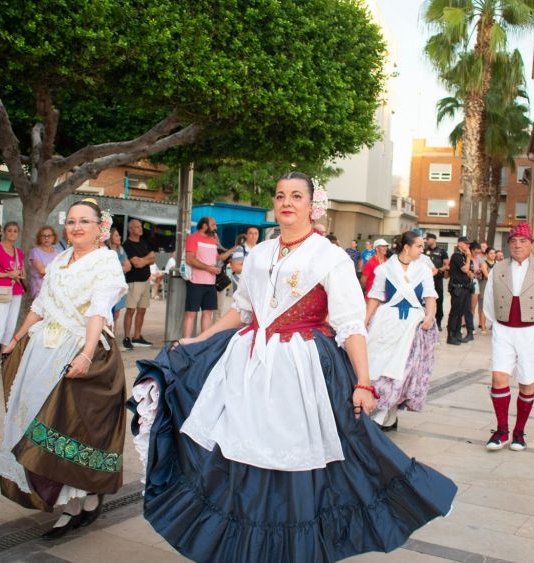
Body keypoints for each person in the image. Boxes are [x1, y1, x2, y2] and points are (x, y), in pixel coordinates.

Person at [130, 172, 456, 562]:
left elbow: (351, 325)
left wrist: (363, 382)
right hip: (250, 361)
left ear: (311, 205)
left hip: (300, 367)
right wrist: (200, 340)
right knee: (240, 448)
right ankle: (246, 545)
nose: (287, 202)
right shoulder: (261, 253)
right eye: (281, 194)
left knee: (295, 457)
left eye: (296, 196)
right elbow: (242, 310)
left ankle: (291, 547)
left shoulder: (329, 256)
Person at [0, 199, 128, 540]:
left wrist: (86, 355)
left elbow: (98, 310)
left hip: (81, 348)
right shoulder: (58, 260)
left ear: (100, 228)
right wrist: (15, 339)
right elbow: (40, 305)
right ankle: (70, 501)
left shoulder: (106, 261)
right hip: (43, 350)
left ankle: (82, 498)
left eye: (84, 221)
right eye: (71, 221)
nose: (76, 227)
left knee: (72, 428)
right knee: (37, 420)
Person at [482, 223, 534, 451]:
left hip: (533, 330)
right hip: (504, 329)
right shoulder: (498, 268)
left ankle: (519, 432)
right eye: (513, 241)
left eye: (523, 241)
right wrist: (497, 325)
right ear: (508, 244)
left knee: (527, 381)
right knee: (498, 377)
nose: (518, 245)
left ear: (531, 244)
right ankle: (502, 431)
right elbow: (489, 301)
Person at [365, 231, 438, 431]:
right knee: (381, 367)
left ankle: (383, 416)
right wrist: (365, 321)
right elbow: (375, 297)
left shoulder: (423, 270)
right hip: (387, 322)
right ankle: (387, 416)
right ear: (407, 247)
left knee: (404, 370)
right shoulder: (384, 269)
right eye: (419, 246)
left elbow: (430, 297)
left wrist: (429, 316)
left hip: (413, 324)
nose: (422, 250)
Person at [0, 222, 26, 376]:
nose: (12, 233)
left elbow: (23, 273)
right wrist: (8, 274)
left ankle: (1, 358)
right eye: (10, 231)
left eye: (15, 231)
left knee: (10, 325)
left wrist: (18, 274)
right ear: (4, 232)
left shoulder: (18, 252)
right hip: (1, 290)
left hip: (16, 290)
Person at [181, 217, 222, 338]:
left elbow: (217, 259)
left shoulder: (213, 241)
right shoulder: (193, 238)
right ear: (204, 226)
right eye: (213, 225)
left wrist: (232, 250)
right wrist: (209, 268)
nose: (215, 227)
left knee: (208, 313)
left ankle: (204, 342)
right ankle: (186, 343)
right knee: (191, 314)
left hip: (211, 283)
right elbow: (189, 259)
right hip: (195, 282)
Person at [122, 219, 156, 349]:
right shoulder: (127, 245)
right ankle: (126, 337)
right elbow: (136, 263)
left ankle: (137, 337)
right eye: (137, 227)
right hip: (134, 281)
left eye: (140, 226)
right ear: (130, 230)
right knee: (131, 310)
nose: (140, 229)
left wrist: (143, 260)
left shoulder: (144, 242)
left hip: (146, 280)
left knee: (142, 310)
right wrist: (146, 259)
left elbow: (153, 259)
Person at [446, 236, 473, 345]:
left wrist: (468, 258)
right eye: (465, 243)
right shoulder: (456, 256)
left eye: (468, 244)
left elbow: (470, 272)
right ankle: (451, 336)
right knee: (455, 313)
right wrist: (469, 257)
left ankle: (457, 334)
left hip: (465, 287)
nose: (467, 246)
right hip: (457, 288)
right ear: (459, 244)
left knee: (460, 312)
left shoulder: (463, 256)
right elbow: (465, 269)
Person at [107, 227, 131, 327]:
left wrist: (115, 269)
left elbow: (128, 266)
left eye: (119, 235)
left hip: (119, 285)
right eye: (116, 235)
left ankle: (112, 334)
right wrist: (120, 268)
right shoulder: (106, 250)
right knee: (107, 314)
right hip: (108, 286)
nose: (119, 237)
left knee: (116, 315)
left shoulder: (121, 250)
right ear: (110, 237)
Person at [424, 233, 448, 331]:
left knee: (439, 301)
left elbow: (447, 265)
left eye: (428, 239)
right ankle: (426, 321)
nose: (426, 241)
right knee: (425, 301)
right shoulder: (424, 251)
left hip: (437, 279)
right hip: (426, 280)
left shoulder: (442, 251)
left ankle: (438, 322)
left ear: (434, 240)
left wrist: (438, 270)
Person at [28, 225, 59, 298]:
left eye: (49, 236)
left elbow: (62, 271)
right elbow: (42, 271)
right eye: (43, 236)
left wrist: (47, 271)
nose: (46, 238)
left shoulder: (58, 253)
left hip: (55, 289)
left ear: (54, 237)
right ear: (39, 238)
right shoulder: (35, 251)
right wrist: (55, 270)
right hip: (40, 289)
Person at [229, 225, 259, 293]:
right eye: (250, 233)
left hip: (255, 286)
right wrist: (255, 268)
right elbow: (236, 268)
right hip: (240, 285)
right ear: (246, 236)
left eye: (256, 233)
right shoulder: (240, 249)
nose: (253, 236)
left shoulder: (260, 249)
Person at [478, 246, 497, 334]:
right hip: (485, 286)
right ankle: (483, 328)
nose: (493, 255)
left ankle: (495, 326)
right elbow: (487, 275)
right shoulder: (483, 264)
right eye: (491, 253)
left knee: (495, 307)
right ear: (486, 254)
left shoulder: (498, 263)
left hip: (495, 287)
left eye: (494, 253)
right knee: (483, 307)